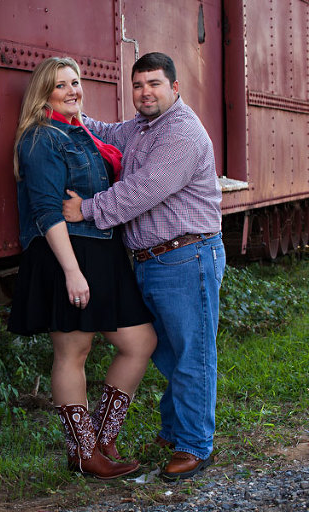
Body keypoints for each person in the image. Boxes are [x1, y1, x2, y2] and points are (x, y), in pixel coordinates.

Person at [62, 52, 226, 481]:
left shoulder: (182, 132)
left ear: (175, 88)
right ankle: (175, 431)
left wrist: (87, 209)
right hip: (153, 260)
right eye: (138, 85)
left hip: (187, 257)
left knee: (191, 354)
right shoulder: (141, 126)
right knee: (169, 353)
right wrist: (70, 110)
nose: (145, 92)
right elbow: (105, 133)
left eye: (154, 84)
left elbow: (142, 190)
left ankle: (195, 445)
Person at [7, 57, 157, 480]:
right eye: (61, 85)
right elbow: (46, 211)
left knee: (140, 341)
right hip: (66, 254)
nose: (73, 90)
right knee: (74, 351)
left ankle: (101, 439)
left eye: (76, 82)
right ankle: (82, 452)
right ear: (44, 94)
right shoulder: (40, 138)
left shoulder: (82, 131)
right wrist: (72, 272)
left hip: (104, 251)